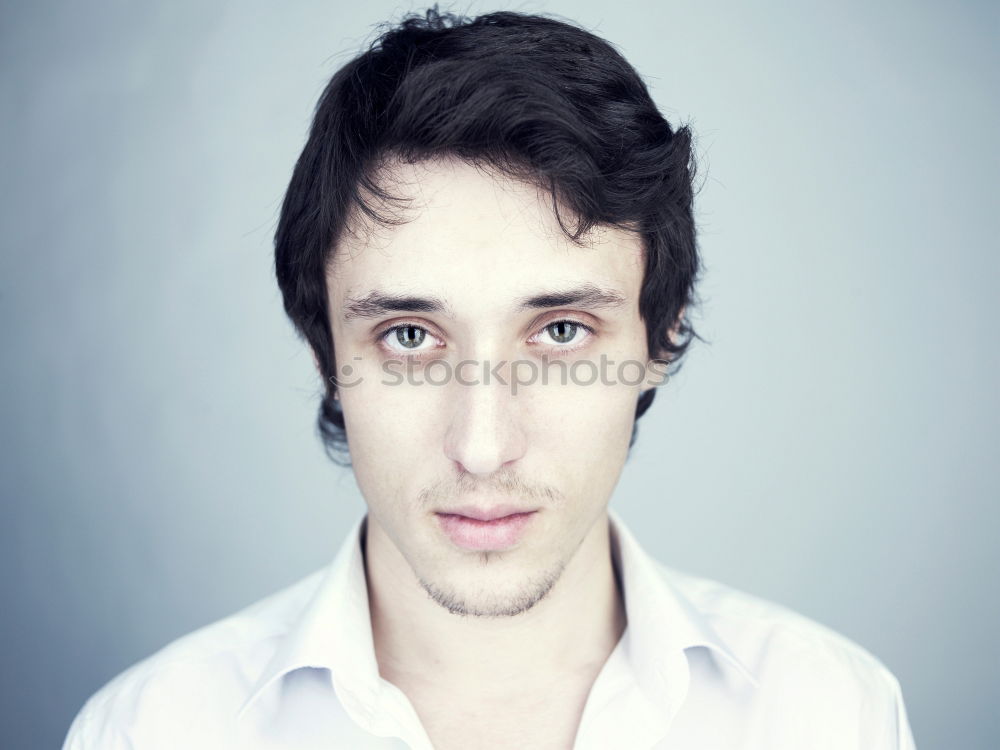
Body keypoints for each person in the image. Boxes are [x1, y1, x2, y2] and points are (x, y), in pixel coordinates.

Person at [63, 7, 916, 749]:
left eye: (560, 331)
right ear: (326, 353)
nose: (481, 446)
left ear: (662, 335)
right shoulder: (152, 732)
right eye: (407, 335)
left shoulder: (828, 715)